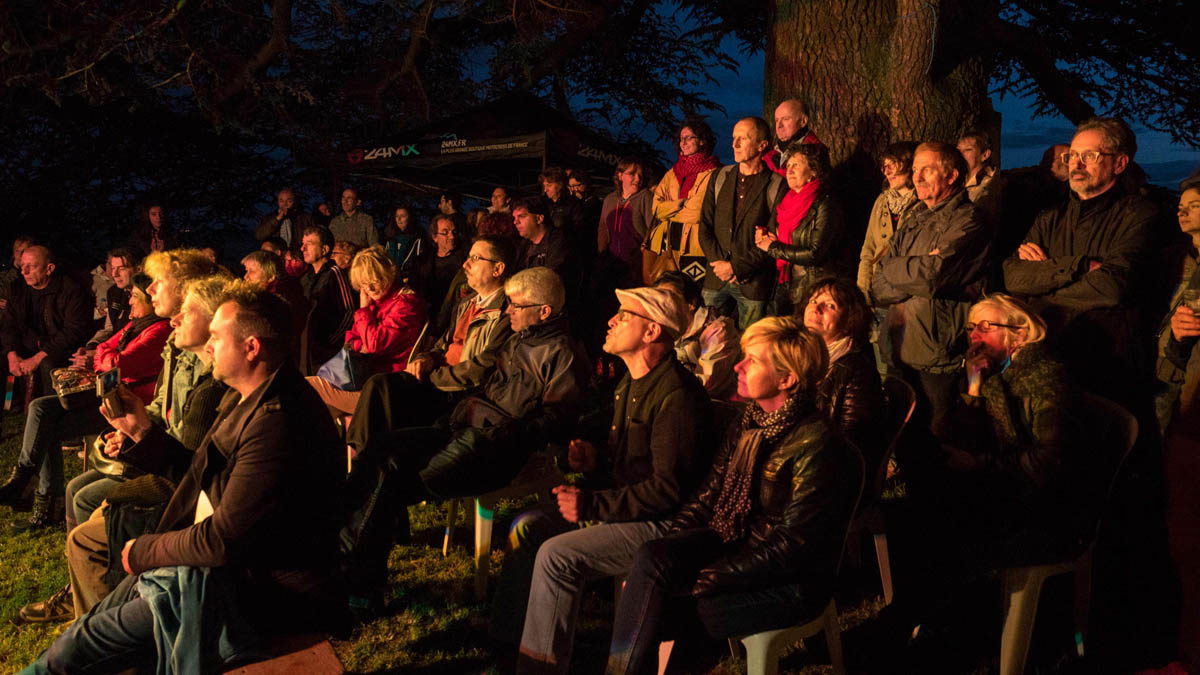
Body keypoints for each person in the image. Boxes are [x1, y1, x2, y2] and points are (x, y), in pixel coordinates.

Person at [20, 282, 348, 675]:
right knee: (81, 633)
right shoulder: (248, 396)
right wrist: (142, 432)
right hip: (217, 572)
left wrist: (144, 551)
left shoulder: (276, 422)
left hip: (262, 594)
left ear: (251, 347)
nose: (209, 344)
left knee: (71, 652)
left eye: (217, 336)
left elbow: (221, 541)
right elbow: (205, 477)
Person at [605, 316, 859, 674]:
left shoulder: (817, 444)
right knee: (653, 560)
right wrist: (674, 545)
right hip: (735, 546)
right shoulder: (748, 423)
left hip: (789, 581)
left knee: (667, 605)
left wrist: (715, 574)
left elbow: (794, 545)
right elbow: (708, 497)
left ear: (786, 379)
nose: (738, 366)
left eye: (752, 360)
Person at [490, 286, 712, 673]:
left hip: (661, 524)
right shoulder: (631, 383)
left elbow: (668, 490)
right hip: (629, 508)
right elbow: (633, 466)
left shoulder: (676, 396)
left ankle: (540, 668)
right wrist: (596, 462)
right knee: (526, 528)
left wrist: (593, 504)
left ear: (651, 332)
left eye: (624, 315)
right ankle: (511, 648)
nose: (611, 320)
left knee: (557, 556)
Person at [340, 267, 584, 600]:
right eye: (509, 304)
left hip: (496, 449)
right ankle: (344, 559)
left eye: (516, 305)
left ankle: (357, 581)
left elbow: (559, 419)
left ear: (544, 311)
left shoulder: (562, 354)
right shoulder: (518, 338)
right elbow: (483, 378)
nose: (508, 311)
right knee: (378, 448)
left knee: (392, 473)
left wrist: (509, 430)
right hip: (465, 427)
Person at [18, 276, 232, 624]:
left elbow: (191, 476)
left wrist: (139, 435)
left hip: (181, 493)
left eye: (153, 287)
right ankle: (86, 593)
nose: (174, 318)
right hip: (168, 463)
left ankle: (102, 622)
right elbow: (113, 359)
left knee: (92, 505)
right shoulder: (165, 343)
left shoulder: (206, 380)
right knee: (59, 444)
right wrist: (132, 433)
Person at [883, 294, 1083, 644]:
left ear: (1019, 334)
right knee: (911, 502)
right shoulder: (993, 371)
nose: (974, 335)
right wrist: (973, 386)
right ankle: (917, 616)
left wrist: (977, 463)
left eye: (986, 327)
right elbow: (957, 436)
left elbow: (1048, 463)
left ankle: (932, 623)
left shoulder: (1044, 378)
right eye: (972, 327)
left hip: (1041, 503)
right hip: (1004, 482)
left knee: (935, 516)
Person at [1001, 117, 1158, 403]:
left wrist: (1043, 282)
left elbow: (1112, 287)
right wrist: (1079, 266)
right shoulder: (1049, 218)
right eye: (1072, 155)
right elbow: (1012, 276)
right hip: (1045, 355)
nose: (1077, 164)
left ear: (1119, 163)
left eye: (1090, 155)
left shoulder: (1140, 215)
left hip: (1106, 365)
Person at [0, 274, 171, 532]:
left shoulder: (159, 329)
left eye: (135, 296)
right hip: (108, 395)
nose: (130, 301)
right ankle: (25, 481)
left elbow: (118, 363)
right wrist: (104, 355)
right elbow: (105, 348)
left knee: (45, 426)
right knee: (40, 408)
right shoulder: (135, 325)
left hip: (126, 406)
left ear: (150, 300)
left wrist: (102, 357)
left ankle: (42, 501)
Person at [344, 235, 516, 453]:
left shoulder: (507, 312)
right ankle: (362, 457)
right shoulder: (466, 303)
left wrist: (435, 374)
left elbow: (483, 366)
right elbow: (441, 345)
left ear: (498, 269)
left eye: (475, 258)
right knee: (379, 387)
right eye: (468, 257)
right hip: (436, 378)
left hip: (456, 390)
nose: (465, 264)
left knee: (379, 391)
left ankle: (362, 460)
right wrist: (425, 359)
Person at [871, 141, 992, 441]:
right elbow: (878, 284)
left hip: (938, 352)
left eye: (927, 170)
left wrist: (899, 268)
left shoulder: (969, 220)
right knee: (901, 436)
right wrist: (915, 268)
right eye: (915, 170)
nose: (917, 177)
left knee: (937, 441)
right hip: (898, 345)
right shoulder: (914, 220)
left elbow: (933, 277)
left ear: (951, 176)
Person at [1154, 170, 1200, 672]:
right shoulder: (1180, 264)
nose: (1183, 210)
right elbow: (1168, 348)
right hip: (1186, 412)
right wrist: (1177, 337)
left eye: (1195, 203)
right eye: (1181, 204)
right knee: (1185, 542)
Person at [306, 246, 427, 416]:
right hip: (364, 380)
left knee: (305, 388)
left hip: (385, 386)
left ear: (388, 273)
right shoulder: (378, 302)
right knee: (313, 405)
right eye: (363, 284)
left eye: (374, 281)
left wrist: (363, 311)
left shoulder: (406, 305)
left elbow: (374, 344)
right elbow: (350, 339)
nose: (370, 288)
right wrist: (362, 343)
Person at [698, 117, 786, 329]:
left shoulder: (776, 185)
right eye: (733, 138)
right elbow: (704, 227)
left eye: (743, 138)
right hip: (716, 277)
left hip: (753, 282)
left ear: (762, 145)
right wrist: (721, 265)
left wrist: (737, 268)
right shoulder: (720, 177)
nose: (734, 144)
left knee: (751, 343)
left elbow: (773, 238)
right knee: (705, 341)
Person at [799, 277, 885, 471]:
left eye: (830, 305)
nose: (816, 308)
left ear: (849, 321)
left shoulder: (857, 372)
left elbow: (852, 443)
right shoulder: (799, 355)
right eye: (813, 301)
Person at [755, 141, 845, 314]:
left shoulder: (825, 204)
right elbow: (783, 237)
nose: (789, 170)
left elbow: (815, 252)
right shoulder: (786, 201)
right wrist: (766, 236)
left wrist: (773, 247)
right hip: (785, 284)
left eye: (796, 165)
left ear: (814, 171)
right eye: (788, 165)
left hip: (812, 287)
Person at [858, 142, 919, 375]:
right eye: (885, 165)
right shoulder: (882, 201)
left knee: (907, 366)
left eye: (894, 164)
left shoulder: (922, 204)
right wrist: (863, 292)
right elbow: (868, 250)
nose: (887, 171)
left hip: (907, 298)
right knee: (883, 363)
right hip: (880, 295)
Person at [1, 244, 93, 395]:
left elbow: (73, 332)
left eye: (31, 266)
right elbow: (9, 326)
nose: (24, 272)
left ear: (49, 269)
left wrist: (38, 358)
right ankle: (11, 403)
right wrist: (11, 353)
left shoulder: (69, 290)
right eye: (22, 265)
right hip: (27, 347)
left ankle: (48, 406)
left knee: (48, 364)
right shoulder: (17, 290)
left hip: (59, 349)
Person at [646, 118, 721, 283]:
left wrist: (668, 209)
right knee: (666, 291)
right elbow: (656, 208)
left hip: (694, 246)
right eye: (681, 139)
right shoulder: (672, 172)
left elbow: (697, 212)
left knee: (691, 292)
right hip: (667, 244)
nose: (683, 143)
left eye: (688, 138)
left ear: (702, 141)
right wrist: (680, 204)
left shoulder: (714, 173)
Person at [653, 270, 739, 399]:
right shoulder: (673, 329)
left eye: (670, 299)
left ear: (691, 303)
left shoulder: (717, 331)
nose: (662, 306)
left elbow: (705, 384)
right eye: (659, 300)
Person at [298, 225, 355, 375]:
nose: (302, 249)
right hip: (307, 356)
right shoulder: (306, 278)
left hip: (327, 358)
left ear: (324, 249)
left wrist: (329, 343)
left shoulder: (334, 274)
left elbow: (350, 312)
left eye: (309, 244)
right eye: (302, 244)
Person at [598, 157, 655, 287]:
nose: (638, 179)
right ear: (620, 175)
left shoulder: (645, 197)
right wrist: (601, 255)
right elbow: (603, 229)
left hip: (636, 265)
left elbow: (653, 231)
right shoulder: (610, 199)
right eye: (632, 174)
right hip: (611, 263)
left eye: (640, 175)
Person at [420, 214, 468, 316]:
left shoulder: (465, 259)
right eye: (445, 233)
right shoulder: (422, 260)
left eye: (454, 232)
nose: (452, 236)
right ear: (435, 237)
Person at [514, 197, 572, 277]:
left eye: (522, 216)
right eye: (514, 217)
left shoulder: (559, 242)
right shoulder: (524, 245)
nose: (515, 222)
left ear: (539, 219)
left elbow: (550, 277)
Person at [763, 98, 822, 176]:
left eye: (786, 119)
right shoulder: (769, 157)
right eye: (776, 120)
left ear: (803, 121)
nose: (779, 125)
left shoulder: (814, 154)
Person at [957, 129, 1004, 225]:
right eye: (958, 150)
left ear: (985, 155)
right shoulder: (956, 180)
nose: (960, 154)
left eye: (968, 150)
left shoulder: (990, 187)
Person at [382, 206, 432, 285]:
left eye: (403, 216)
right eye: (397, 216)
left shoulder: (418, 239)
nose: (399, 219)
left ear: (410, 218)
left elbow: (421, 265)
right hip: (392, 280)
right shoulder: (390, 239)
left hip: (410, 282)